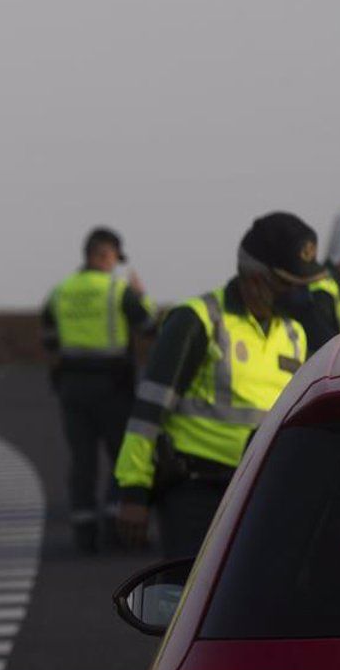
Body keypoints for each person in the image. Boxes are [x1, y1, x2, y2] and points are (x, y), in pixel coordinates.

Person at [114, 212, 321, 559]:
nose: (300, 295)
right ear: (255, 279)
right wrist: (133, 491)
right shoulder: (198, 320)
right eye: (289, 285)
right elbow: (148, 412)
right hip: (197, 495)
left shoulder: (293, 334)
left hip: (262, 490)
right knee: (191, 599)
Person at [41, 227, 157, 553]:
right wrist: (142, 294)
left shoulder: (60, 291)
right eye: (113, 258)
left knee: (82, 459)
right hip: (112, 385)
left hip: (72, 386)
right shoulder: (117, 290)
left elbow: (49, 338)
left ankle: (84, 531)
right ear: (104, 255)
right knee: (121, 456)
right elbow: (148, 327)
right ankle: (115, 528)